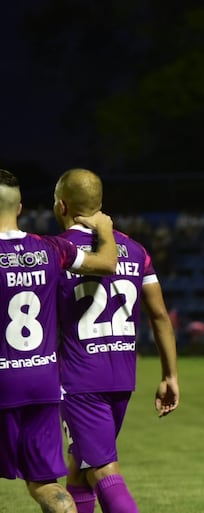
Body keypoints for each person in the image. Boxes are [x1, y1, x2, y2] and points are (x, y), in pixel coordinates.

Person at [53, 169, 180, 513]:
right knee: (79, 469)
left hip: (80, 379)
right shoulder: (137, 251)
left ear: (62, 206)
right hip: (122, 377)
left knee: (103, 469)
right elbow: (159, 316)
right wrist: (170, 376)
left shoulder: (58, 251)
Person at [0, 169, 117, 513]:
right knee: (44, 484)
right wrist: (105, 230)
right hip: (43, 382)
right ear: (20, 207)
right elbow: (108, 263)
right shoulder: (51, 248)